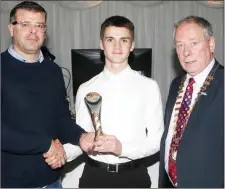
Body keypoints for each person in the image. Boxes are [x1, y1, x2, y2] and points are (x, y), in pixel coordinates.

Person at [57, 15, 164, 188]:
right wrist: (61, 153)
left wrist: (121, 148)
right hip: (94, 176)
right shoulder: (85, 88)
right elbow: (82, 138)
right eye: (110, 40)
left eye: (123, 40)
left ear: (132, 46)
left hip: (134, 177)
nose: (117, 46)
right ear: (101, 44)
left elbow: (156, 140)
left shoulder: (149, 87)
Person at [1, 1, 94, 188]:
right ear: (11, 28)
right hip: (10, 182)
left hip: (52, 181)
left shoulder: (53, 71)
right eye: (25, 24)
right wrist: (45, 144)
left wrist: (81, 136)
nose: (33, 31)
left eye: (39, 25)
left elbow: (60, 119)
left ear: (45, 30)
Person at [158, 16, 224, 188]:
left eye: (193, 43)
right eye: (180, 45)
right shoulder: (176, 85)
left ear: (211, 44)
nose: (186, 52)